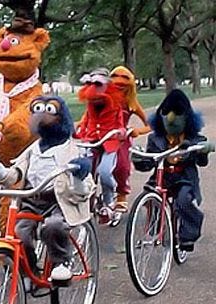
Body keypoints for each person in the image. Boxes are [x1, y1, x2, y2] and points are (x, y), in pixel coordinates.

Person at [0, 96, 94, 281]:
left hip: (59, 201)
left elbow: (86, 187)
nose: (40, 116)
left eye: (49, 111)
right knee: (20, 232)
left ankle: (62, 261)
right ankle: (29, 271)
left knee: (54, 226)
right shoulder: (33, 149)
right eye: (37, 110)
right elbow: (14, 175)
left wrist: (78, 175)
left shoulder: (71, 150)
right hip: (32, 198)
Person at [133, 89, 213, 252]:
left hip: (184, 178)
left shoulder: (194, 139)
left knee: (183, 200)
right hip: (161, 177)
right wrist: (139, 160)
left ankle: (188, 235)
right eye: (166, 112)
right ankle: (155, 227)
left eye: (177, 113)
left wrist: (203, 150)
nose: (170, 117)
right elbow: (149, 162)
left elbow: (202, 162)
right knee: (150, 196)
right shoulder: (155, 138)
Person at [75, 67, 126, 223]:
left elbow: (120, 125)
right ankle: (85, 203)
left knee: (104, 172)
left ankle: (109, 200)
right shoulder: (90, 105)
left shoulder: (115, 106)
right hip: (91, 141)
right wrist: (79, 132)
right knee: (82, 171)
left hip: (109, 143)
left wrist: (121, 132)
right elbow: (86, 121)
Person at [109, 66, 151, 213]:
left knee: (122, 167)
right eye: (115, 76)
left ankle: (121, 195)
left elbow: (150, 125)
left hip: (121, 138)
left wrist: (137, 131)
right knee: (90, 162)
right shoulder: (103, 99)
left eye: (125, 78)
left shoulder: (130, 102)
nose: (119, 81)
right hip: (102, 137)